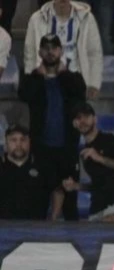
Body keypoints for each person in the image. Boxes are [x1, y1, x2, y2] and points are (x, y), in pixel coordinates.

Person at [18, 33, 87, 221]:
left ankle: (73, 237)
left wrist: (63, 74)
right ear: (40, 52)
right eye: (46, 48)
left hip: (67, 150)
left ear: (61, 51)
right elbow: (24, 94)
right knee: (39, 202)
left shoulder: (72, 78)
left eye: (54, 48)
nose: (50, 52)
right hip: (42, 150)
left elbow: (80, 92)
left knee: (70, 204)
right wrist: (38, 76)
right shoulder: (32, 78)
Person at [66, 102, 114, 222]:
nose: (83, 121)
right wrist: (77, 186)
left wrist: (100, 158)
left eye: (86, 117)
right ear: (74, 124)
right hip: (96, 210)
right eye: (78, 118)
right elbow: (98, 184)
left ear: (95, 119)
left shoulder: (112, 138)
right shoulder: (84, 152)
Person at [25, 0, 103, 99]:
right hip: (46, 83)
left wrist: (94, 83)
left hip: (77, 83)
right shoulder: (36, 19)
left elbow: (94, 53)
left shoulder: (87, 18)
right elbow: (30, 54)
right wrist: (31, 82)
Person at [0, 124, 62, 220]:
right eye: (13, 140)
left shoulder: (43, 166)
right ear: (6, 143)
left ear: (29, 142)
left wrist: (54, 216)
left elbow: (58, 191)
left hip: (37, 226)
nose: (18, 144)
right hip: (3, 226)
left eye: (23, 139)